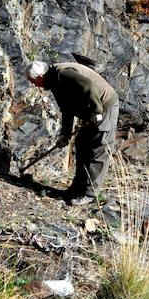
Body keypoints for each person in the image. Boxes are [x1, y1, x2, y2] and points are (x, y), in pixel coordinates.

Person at [27, 59, 119, 206]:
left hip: (104, 106)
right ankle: (76, 189)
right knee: (82, 144)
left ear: (39, 77)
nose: (35, 85)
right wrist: (65, 134)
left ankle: (89, 194)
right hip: (92, 111)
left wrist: (96, 112)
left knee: (98, 148)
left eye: (33, 82)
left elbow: (88, 85)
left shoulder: (63, 73)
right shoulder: (54, 82)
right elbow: (67, 109)